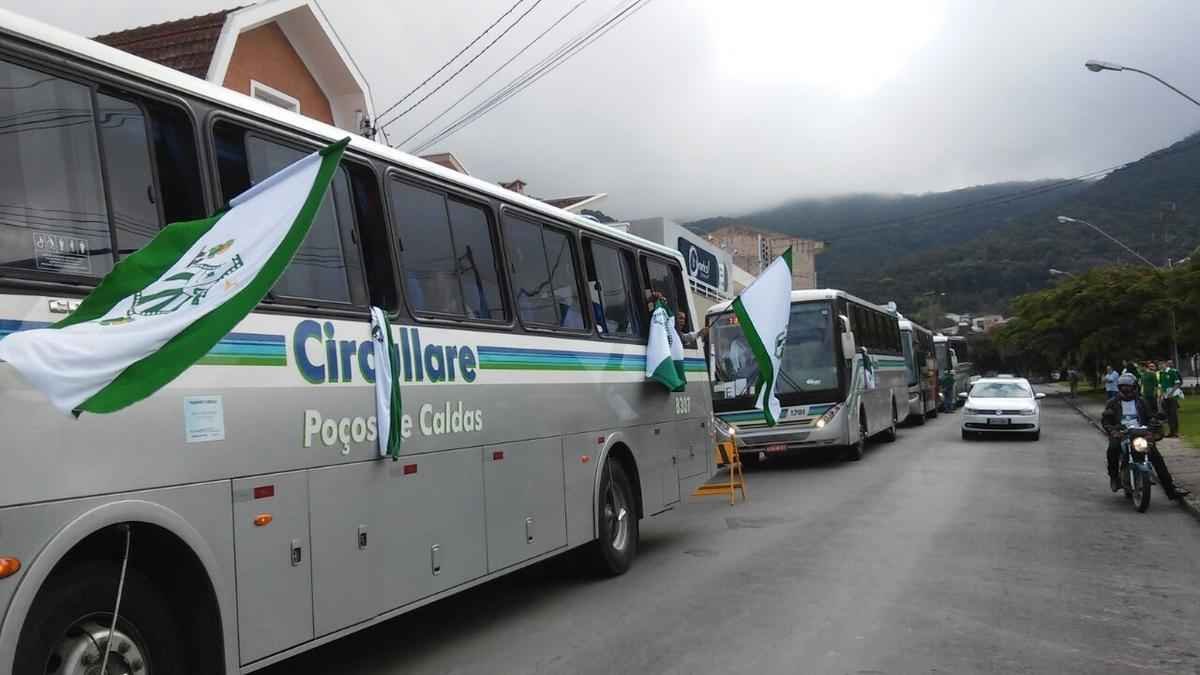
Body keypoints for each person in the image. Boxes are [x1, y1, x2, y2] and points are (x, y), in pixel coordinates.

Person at [1101, 373, 1188, 500]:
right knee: (1112, 449)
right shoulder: (1112, 403)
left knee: (1156, 457)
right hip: (1121, 434)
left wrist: (1154, 424)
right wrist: (1112, 430)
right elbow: (1106, 420)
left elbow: (1151, 417)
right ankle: (1114, 477)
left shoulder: (1142, 402)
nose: (1126, 389)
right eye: (1123, 387)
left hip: (1140, 433)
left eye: (1129, 387)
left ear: (1134, 387)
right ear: (1119, 388)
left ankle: (1170, 490)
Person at [1159, 359, 1183, 438]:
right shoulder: (1161, 373)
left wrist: (1172, 393)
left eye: (1161, 365)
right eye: (1159, 365)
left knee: (1173, 414)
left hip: (1172, 396)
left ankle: (1175, 431)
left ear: (1165, 364)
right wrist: (1161, 395)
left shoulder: (1172, 372)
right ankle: (1171, 431)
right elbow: (1161, 385)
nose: (1160, 366)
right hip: (1165, 396)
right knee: (1168, 414)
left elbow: (1177, 383)